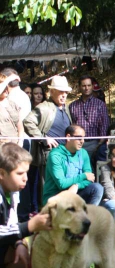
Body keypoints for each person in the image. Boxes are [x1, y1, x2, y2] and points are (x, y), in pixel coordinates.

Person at [0, 143, 51, 268]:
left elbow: (11, 223)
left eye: (27, 173)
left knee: (18, 253)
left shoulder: (12, 192)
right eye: (20, 174)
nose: (26, 179)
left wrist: (20, 243)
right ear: (2, 173)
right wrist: (30, 226)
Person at [23, 76, 73, 216]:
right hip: (50, 155)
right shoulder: (44, 107)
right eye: (60, 91)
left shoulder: (66, 108)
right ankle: (46, 219)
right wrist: (44, 139)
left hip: (65, 154)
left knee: (64, 188)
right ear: (52, 92)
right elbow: (28, 122)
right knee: (48, 190)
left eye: (66, 92)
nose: (64, 95)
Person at [42, 124, 103, 206]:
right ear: (68, 137)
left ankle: (89, 216)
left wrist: (77, 185)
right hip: (56, 197)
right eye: (79, 138)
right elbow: (62, 184)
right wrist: (83, 176)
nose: (82, 141)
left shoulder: (83, 153)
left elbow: (90, 178)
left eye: (83, 138)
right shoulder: (55, 155)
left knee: (97, 188)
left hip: (76, 193)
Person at [69, 75, 111, 163]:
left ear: (92, 86)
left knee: (92, 170)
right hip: (77, 143)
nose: (86, 88)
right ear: (80, 87)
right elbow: (71, 125)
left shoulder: (100, 104)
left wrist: (100, 143)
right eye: (84, 86)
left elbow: (104, 124)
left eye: (89, 85)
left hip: (95, 143)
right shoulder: (73, 106)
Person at [0, 74, 25, 145]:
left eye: (7, 85)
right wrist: (7, 80)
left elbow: (20, 127)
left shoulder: (13, 104)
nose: (6, 88)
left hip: (15, 146)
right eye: (3, 86)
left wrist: (20, 142)